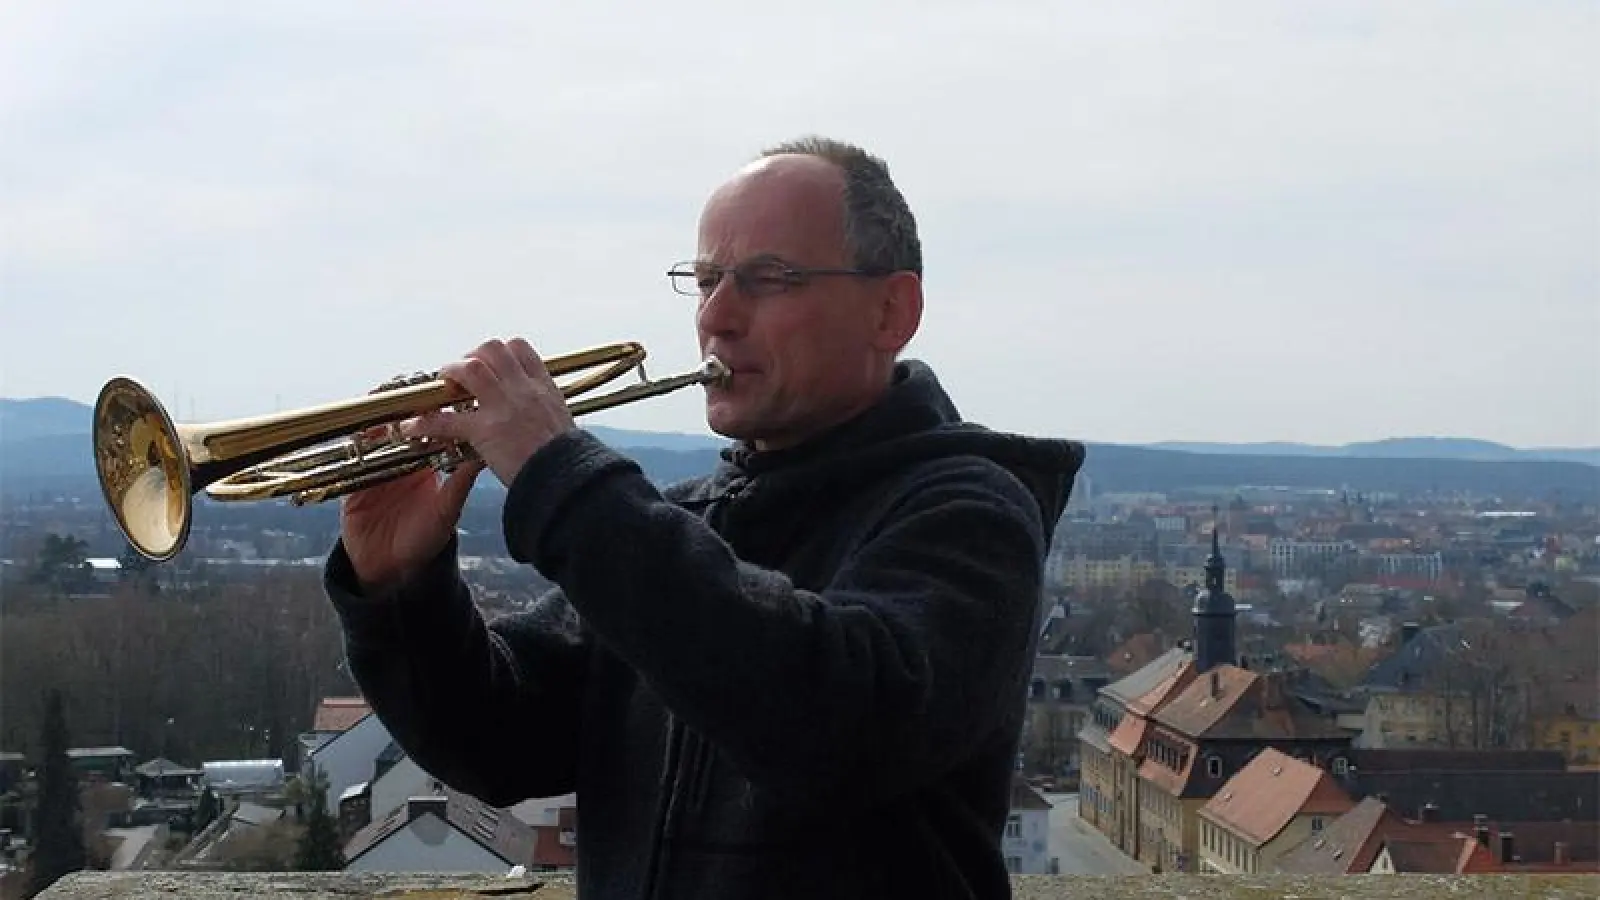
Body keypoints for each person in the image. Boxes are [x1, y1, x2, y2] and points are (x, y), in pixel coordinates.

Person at [322, 136, 1086, 899]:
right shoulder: (681, 524)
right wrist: (400, 588)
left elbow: (837, 724)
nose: (717, 316)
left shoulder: (970, 513)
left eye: (768, 279)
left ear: (892, 310)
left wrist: (564, 481)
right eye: (707, 279)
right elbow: (497, 743)